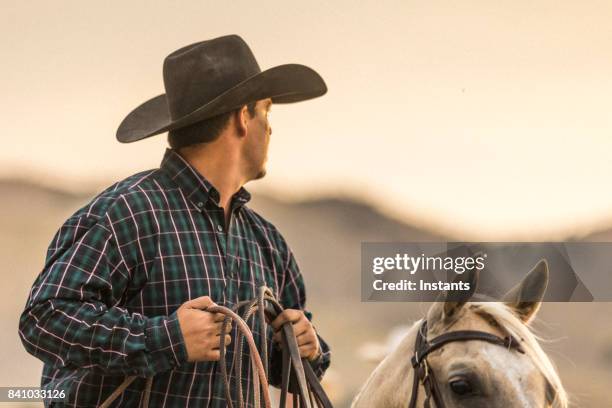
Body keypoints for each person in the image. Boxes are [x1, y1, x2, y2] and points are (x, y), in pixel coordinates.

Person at [18, 34, 330, 407]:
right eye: (266, 111)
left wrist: (305, 347)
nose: (271, 128)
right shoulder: (128, 213)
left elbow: (286, 369)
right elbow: (44, 318)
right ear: (243, 116)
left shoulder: (268, 243)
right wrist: (164, 339)